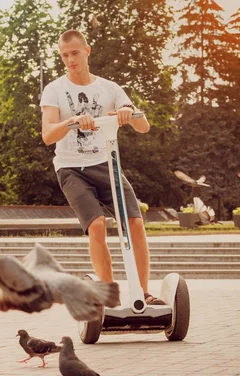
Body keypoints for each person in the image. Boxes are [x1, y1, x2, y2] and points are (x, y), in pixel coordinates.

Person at [40, 29, 165, 305]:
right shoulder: (55, 90)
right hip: (71, 169)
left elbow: (144, 126)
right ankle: (110, 298)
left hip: (106, 164)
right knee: (97, 225)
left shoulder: (109, 88)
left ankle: (143, 295)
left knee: (134, 222)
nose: (69, 60)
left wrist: (129, 114)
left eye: (74, 53)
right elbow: (47, 135)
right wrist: (71, 121)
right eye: (64, 55)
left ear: (87, 51)